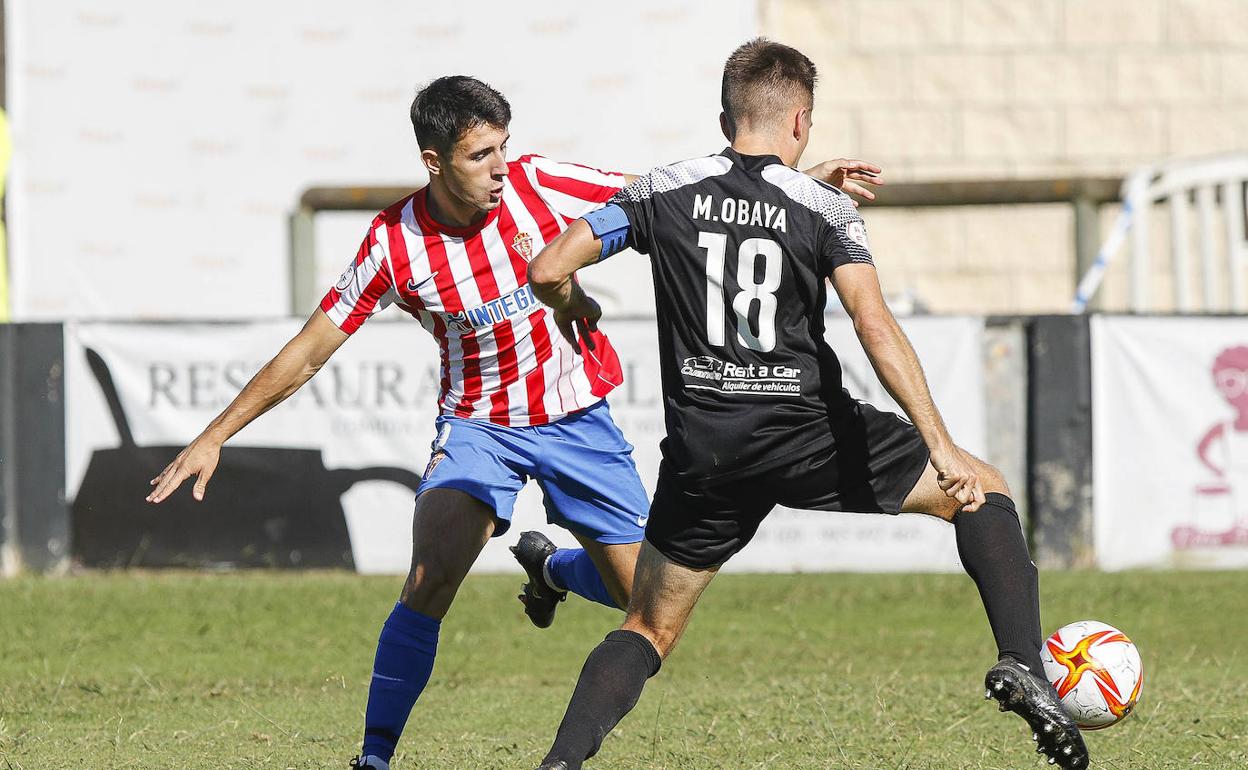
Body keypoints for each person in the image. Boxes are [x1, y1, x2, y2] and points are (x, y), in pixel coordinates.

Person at [144, 74, 883, 770]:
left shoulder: (538, 181)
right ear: (434, 162)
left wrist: (800, 187)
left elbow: (675, 201)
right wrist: (215, 434)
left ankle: (553, 567)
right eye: (479, 154)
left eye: (502, 145)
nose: (500, 166)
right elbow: (310, 349)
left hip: (576, 419)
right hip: (477, 429)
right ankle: (374, 756)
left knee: (643, 603)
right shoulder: (393, 241)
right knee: (431, 577)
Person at [526, 39, 1089, 770]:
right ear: (801, 119)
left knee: (648, 626)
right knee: (984, 493)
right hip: (808, 435)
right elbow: (874, 327)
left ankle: (560, 764)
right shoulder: (820, 207)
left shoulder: (658, 188)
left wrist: (575, 305)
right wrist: (942, 447)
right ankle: (1022, 662)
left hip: (707, 450)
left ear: (727, 114)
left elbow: (547, 269)